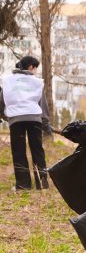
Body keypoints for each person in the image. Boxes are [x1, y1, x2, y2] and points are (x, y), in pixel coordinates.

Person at [0, 56, 51, 190]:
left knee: (19, 152)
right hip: (34, 118)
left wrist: (4, 115)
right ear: (30, 67)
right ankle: (42, 183)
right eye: (35, 68)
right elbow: (43, 104)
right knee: (37, 150)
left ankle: (23, 185)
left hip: (16, 119)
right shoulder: (36, 82)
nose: (36, 71)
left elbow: (2, 99)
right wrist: (46, 124)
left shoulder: (8, 80)